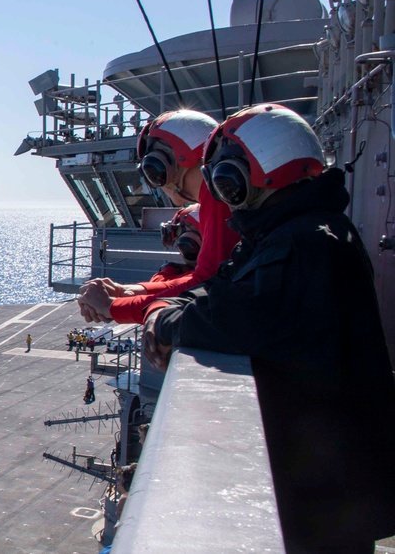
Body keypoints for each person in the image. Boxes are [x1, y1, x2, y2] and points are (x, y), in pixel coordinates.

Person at [140, 104, 395, 551]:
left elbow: (236, 316)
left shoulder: (304, 244)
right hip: (325, 478)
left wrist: (164, 321)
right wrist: (169, 311)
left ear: (249, 176)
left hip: (323, 493)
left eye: (224, 177)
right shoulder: (298, 232)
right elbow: (222, 289)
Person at [79, 110, 239, 324]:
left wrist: (112, 308)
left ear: (168, 163)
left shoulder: (215, 198)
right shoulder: (218, 196)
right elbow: (200, 279)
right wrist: (129, 291)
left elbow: (206, 286)